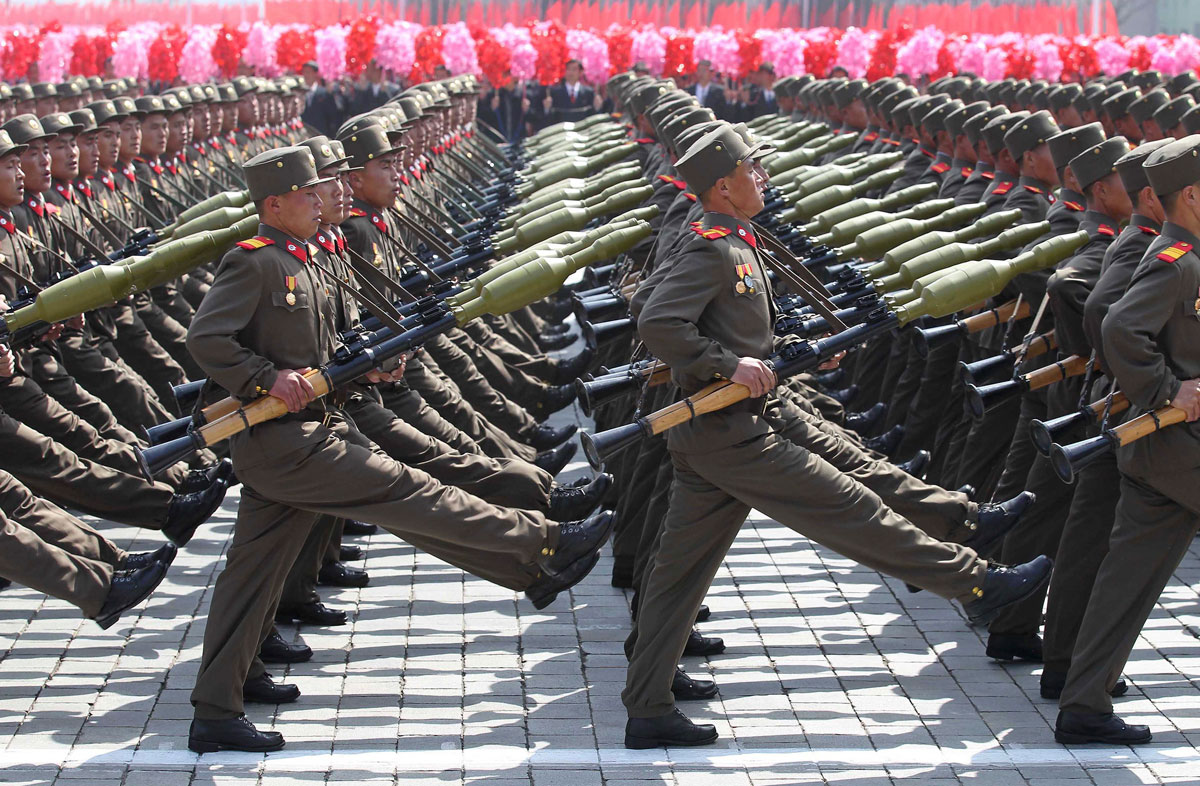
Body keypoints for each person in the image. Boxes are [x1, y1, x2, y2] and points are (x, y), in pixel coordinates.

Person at [621, 122, 1053, 750]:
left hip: (726, 428)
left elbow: (700, 316)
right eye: (752, 170)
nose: (761, 177)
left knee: (679, 574)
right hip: (729, 433)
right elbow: (658, 318)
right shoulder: (709, 245)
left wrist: (768, 352)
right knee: (855, 510)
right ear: (722, 185)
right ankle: (979, 583)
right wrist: (725, 363)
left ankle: (647, 706)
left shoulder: (726, 238)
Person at [185, 145, 614, 754]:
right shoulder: (253, 263)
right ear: (273, 205)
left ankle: (219, 704)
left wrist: (367, 366)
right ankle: (542, 540)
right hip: (287, 444)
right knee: (413, 491)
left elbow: (324, 348)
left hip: (313, 430)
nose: (320, 199)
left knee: (255, 571)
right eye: (308, 194)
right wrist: (264, 377)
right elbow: (207, 339)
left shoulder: (303, 257)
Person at [1054, 134, 1200, 746]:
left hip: (1164, 454)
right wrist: (1169, 391)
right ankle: (1082, 703)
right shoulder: (1178, 261)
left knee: (1126, 583)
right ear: (1191, 195)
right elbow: (1117, 327)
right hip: (1178, 450)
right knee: (1126, 580)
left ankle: (1084, 703)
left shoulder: (1184, 254)